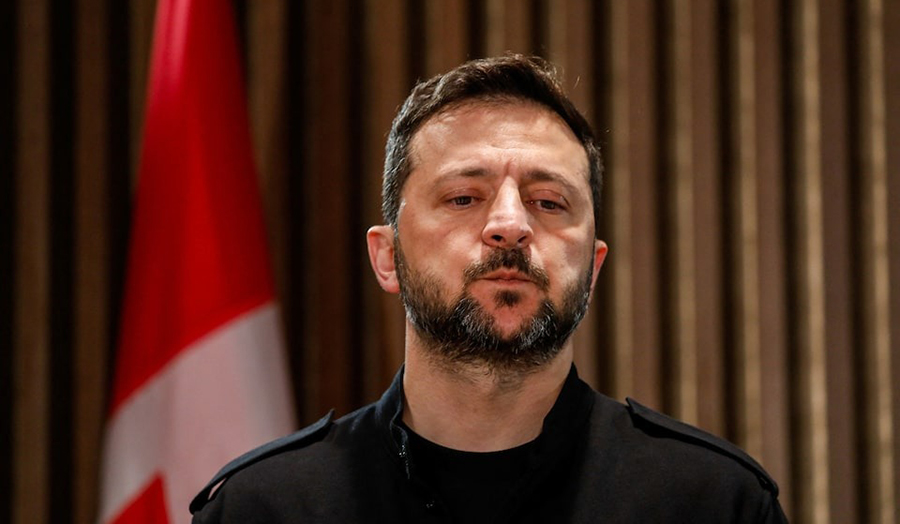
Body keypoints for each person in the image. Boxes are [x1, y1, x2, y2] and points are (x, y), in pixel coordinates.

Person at [189, 54, 788, 523]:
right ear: (388, 256)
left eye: (549, 201)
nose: (510, 225)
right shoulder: (261, 509)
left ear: (594, 267)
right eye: (463, 197)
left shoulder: (712, 504)